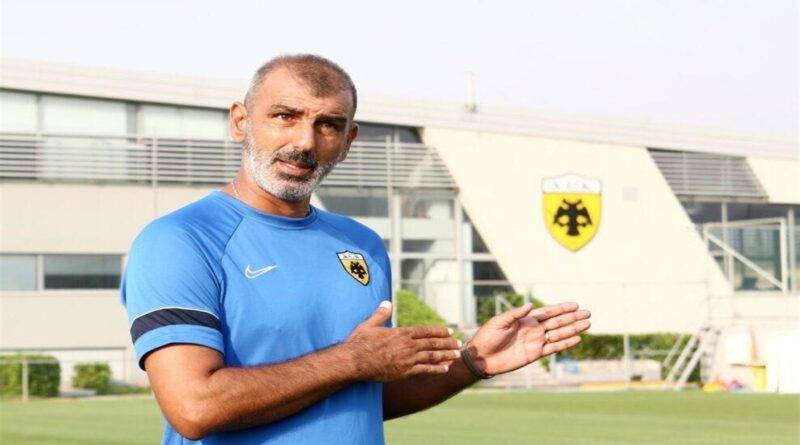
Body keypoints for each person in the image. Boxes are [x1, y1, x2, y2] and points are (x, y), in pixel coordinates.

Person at [121, 54, 591, 444]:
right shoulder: (180, 240)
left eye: (328, 125)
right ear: (241, 122)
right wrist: (353, 359)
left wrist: (471, 363)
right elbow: (194, 407)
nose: (304, 141)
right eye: (285, 116)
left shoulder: (360, 244)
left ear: (348, 141)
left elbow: (362, 395)